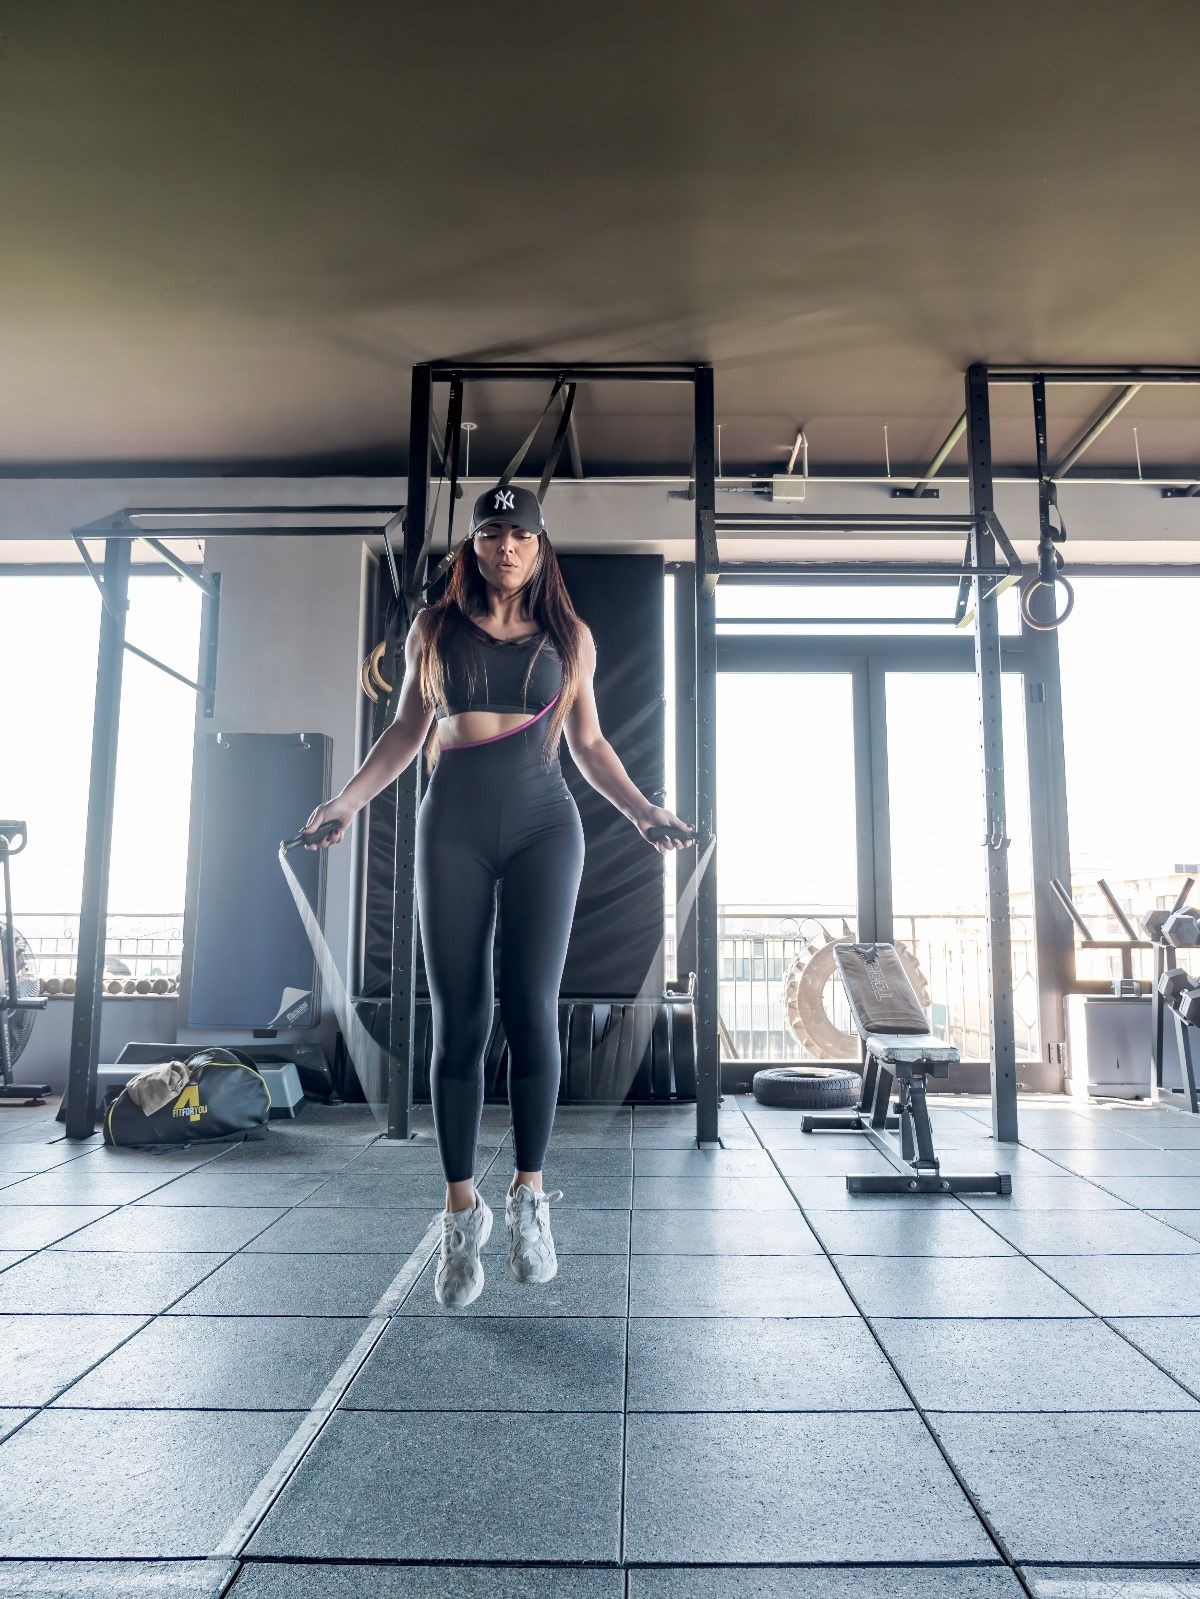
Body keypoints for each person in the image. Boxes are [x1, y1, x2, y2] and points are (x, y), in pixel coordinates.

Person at [302, 483, 694, 1309]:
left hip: (547, 824)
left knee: (531, 1008)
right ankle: (459, 1213)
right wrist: (345, 799)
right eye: (491, 534)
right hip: (454, 824)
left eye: (520, 535)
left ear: (540, 547)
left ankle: (528, 1197)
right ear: (473, 546)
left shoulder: (569, 635)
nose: (506, 547)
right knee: (459, 1023)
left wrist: (644, 810)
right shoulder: (433, 628)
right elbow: (409, 728)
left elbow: (588, 743)